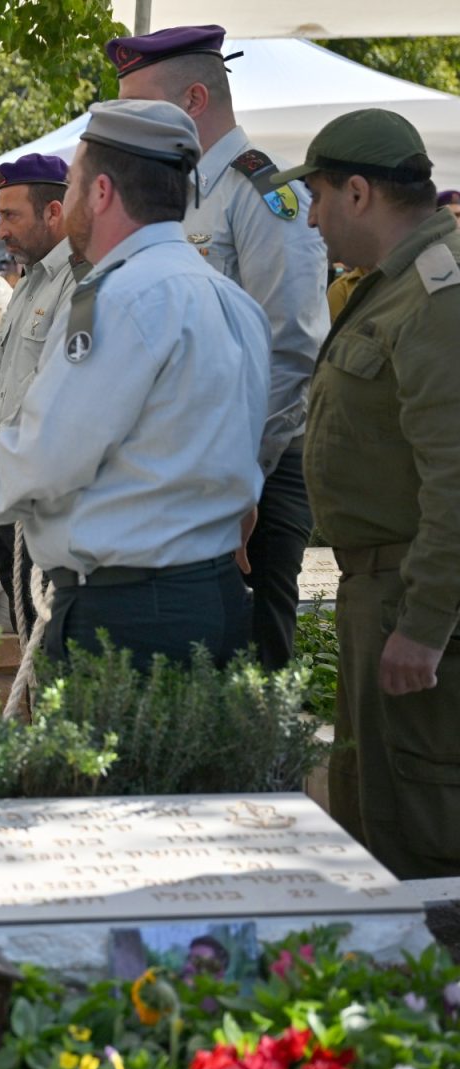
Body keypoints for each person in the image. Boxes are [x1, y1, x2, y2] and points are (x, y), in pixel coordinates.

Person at [0, 100, 270, 671]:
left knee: (109, 763)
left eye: (77, 183)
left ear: (102, 193)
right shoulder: (232, 300)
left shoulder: (114, 301)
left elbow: (48, 455)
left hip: (127, 612)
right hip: (213, 592)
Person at [272, 109, 460, 879]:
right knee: (372, 812)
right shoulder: (389, 289)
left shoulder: (436, 295)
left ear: (358, 193)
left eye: (316, 196)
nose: (310, 217)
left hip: (410, 592)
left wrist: (424, 623)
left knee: (418, 826)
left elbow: (455, 474)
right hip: (374, 587)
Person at [111, 25, 330, 670]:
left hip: (255, 462)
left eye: (138, 108)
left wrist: (240, 483)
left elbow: (289, 349)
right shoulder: (169, 191)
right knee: (181, 655)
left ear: (195, 100)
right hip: (182, 461)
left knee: (252, 657)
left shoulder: (264, 192)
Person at [0, 154, 86, 643]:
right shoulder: (27, 282)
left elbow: (55, 387)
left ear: (53, 212)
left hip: (51, 501)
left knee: (56, 641)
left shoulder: (82, 282)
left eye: (10, 215)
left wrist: (0, 446)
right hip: (11, 488)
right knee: (27, 630)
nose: (0, 229)